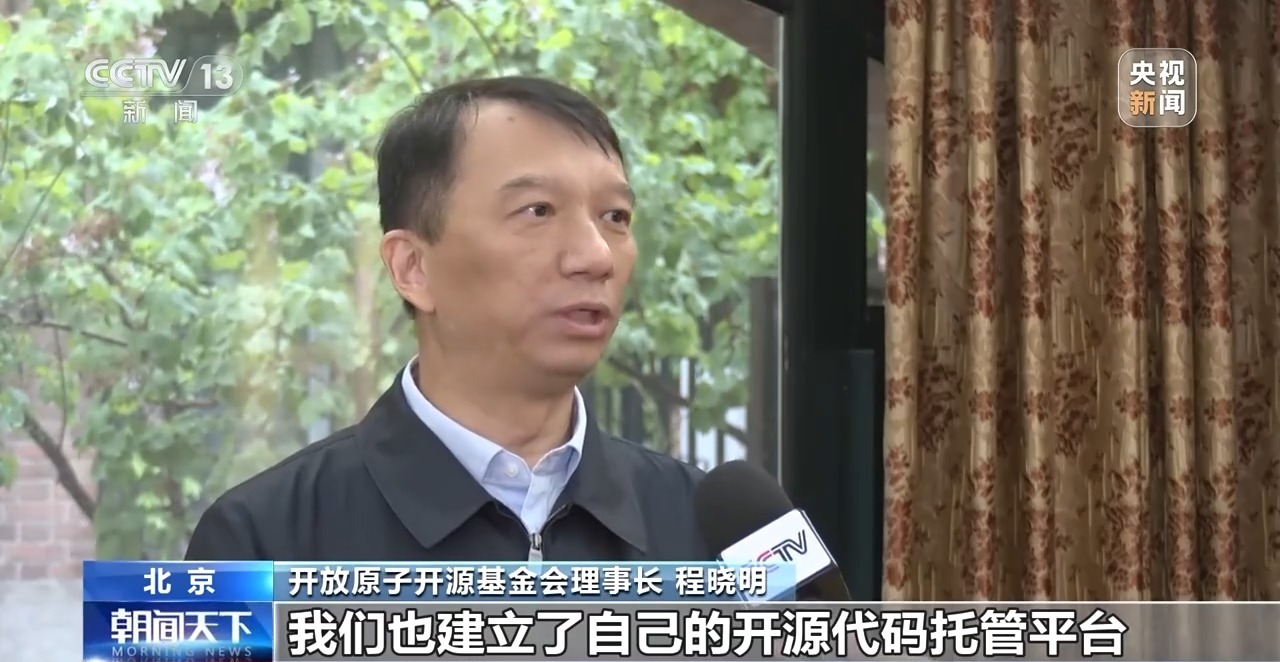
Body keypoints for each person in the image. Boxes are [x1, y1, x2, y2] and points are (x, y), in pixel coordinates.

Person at [185, 76, 709, 562]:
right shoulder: (263, 541)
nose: (596, 256)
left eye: (615, 216)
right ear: (413, 267)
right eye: (538, 211)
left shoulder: (707, 531)